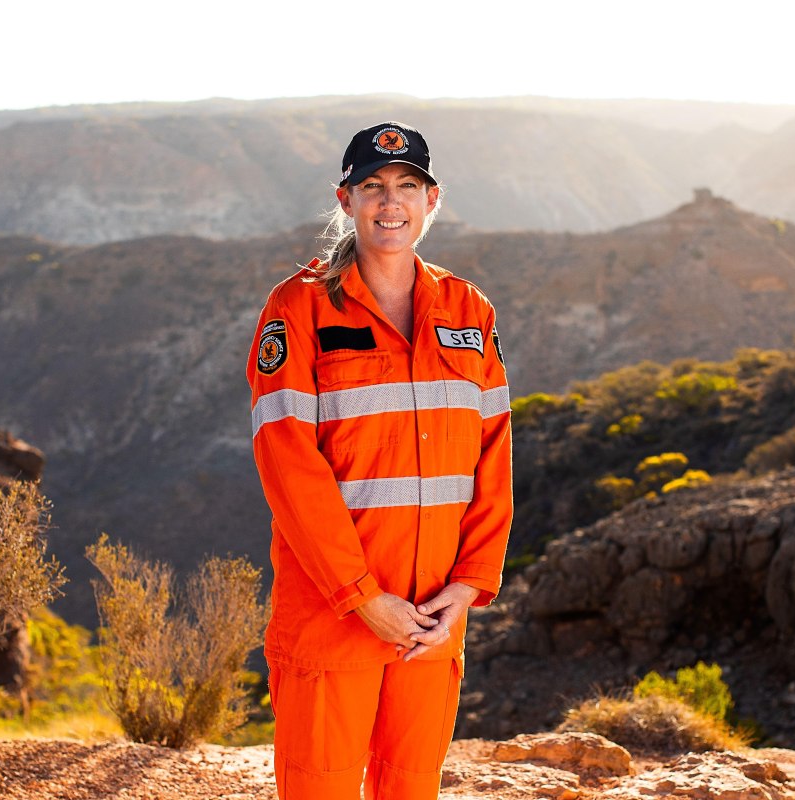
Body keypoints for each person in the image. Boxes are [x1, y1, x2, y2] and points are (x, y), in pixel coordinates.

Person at [246, 121, 513, 799]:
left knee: (410, 787)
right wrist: (361, 598)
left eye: (406, 186)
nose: (389, 202)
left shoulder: (467, 310)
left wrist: (468, 585)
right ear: (346, 199)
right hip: (333, 616)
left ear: (433, 201)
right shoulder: (299, 306)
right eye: (372, 186)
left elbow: (493, 454)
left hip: (429, 620)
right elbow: (287, 464)